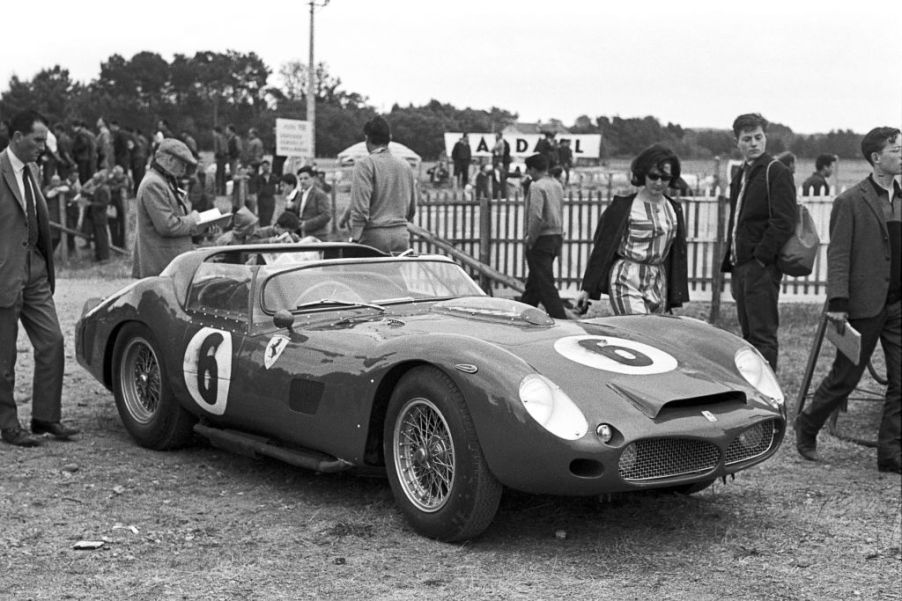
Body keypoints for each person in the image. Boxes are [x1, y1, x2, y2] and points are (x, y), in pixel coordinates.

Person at [794, 127, 901, 474]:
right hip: (864, 306)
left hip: (898, 306)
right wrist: (838, 302)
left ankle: (889, 453)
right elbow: (838, 256)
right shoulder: (851, 201)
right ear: (876, 158)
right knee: (846, 378)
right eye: (896, 150)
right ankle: (807, 426)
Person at [0, 109, 78, 446]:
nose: (42, 147)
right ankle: (8, 425)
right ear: (17, 138)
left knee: (53, 342)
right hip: (5, 272)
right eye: (36, 141)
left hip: (34, 269)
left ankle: (45, 417)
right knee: (4, 357)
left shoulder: (32, 170)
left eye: (43, 141)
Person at [720, 113, 796, 370]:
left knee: (763, 335)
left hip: (760, 268)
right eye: (747, 139)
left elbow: (784, 220)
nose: (753, 143)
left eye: (758, 137)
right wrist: (734, 266)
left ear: (765, 138)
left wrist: (761, 258)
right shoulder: (741, 173)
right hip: (741, 266)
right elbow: (737, 223)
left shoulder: (776, 171)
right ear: (737, 142)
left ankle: (769, 394)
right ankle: (754, 388)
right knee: (748, 335)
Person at [575, 145, 688, 316]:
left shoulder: (674, 209)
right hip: (626, 277)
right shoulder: (623, 207)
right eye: (653, 176)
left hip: (657, 279)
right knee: (637, 327)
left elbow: (676, 254)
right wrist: (587, 288)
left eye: (664, 178)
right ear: (643, 174)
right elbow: (602, 247)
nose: (658, 183)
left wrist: (674, 294)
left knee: (654, 337)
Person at [132, 138, 202, 278]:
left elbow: (177, 219)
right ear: (169, 160)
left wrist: (202, 226)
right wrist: (194, 220)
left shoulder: (164, 181)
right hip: (161, 265)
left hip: (168, 263)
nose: (184, 168)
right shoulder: (153, 184)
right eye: (182, 163)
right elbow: (168, 226)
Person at [347, 116, 417, 254]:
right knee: (394, 275)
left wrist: (354, 239)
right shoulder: (405, 165)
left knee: (368, 275)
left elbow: (361, 209)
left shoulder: (365, 165)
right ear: (389, 138)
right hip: (401, 235)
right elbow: (412, 208)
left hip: (374, 237)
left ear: (366, 138)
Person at [520, 153, 567, 319]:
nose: (528, 173)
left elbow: (536, 216)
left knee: (546, 285)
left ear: (533, 169)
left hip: (541, 239)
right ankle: (522, 315)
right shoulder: (556, 184)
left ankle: (560, 319)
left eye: (528, 169)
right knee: (534, 284)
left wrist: (530, 238)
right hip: (556, 238)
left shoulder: (537, 186)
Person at [286, 165, 331, 239]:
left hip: (318, 235)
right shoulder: (300, 194)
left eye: (306, 178)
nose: (302, 181)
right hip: (303, 235)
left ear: (312, 179)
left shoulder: (319, 194)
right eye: (300, 179)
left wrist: (307, 224)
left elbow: (326, 215)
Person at [80, 169, 111, 262]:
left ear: (99, 180)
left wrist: (91, 204)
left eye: (95, 179)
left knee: (102, 238)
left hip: (100, 217)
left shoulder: (103, 189)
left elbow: (104, 203)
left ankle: (104, 257)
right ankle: (98, 256)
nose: (93, 180)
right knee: (97, 238)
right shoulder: (98, 188)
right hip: (95, 217)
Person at [253, 160, 281, 226]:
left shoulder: (273, 176)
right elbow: (255, 187)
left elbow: (278, 184)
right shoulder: (259, 177)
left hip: (270, 199)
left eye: (266, 166)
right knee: (262, 217)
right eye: (263, 166)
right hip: (261, 199)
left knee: (269, 217)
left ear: (269, 167)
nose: (264, 168)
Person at [212, 125, 228, 195]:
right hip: (224, 157)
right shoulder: (224, 137)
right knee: (223, 174)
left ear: (215, 131)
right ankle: (223, 191)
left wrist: (215, 157)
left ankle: (218, 191)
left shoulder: (216, 137)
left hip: (220, 157)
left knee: (218, 174)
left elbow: (217, 148)